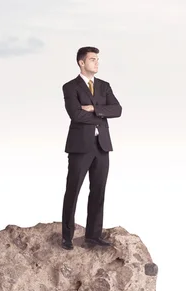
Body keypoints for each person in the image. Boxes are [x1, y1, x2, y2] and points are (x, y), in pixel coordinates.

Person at [61, 46, 122, 250]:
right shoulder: (70, 87)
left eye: (97, 59)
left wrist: (95, 108)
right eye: (92, 59)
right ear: (81, 62)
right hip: (80, 147)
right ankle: (67, 237)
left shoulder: (104, 86)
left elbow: (118, 109)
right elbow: (76, 115)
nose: (97, 62)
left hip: (102, 146)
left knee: (98, 191)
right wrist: (102, 113)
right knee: (73, 191)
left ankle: (93, 236)